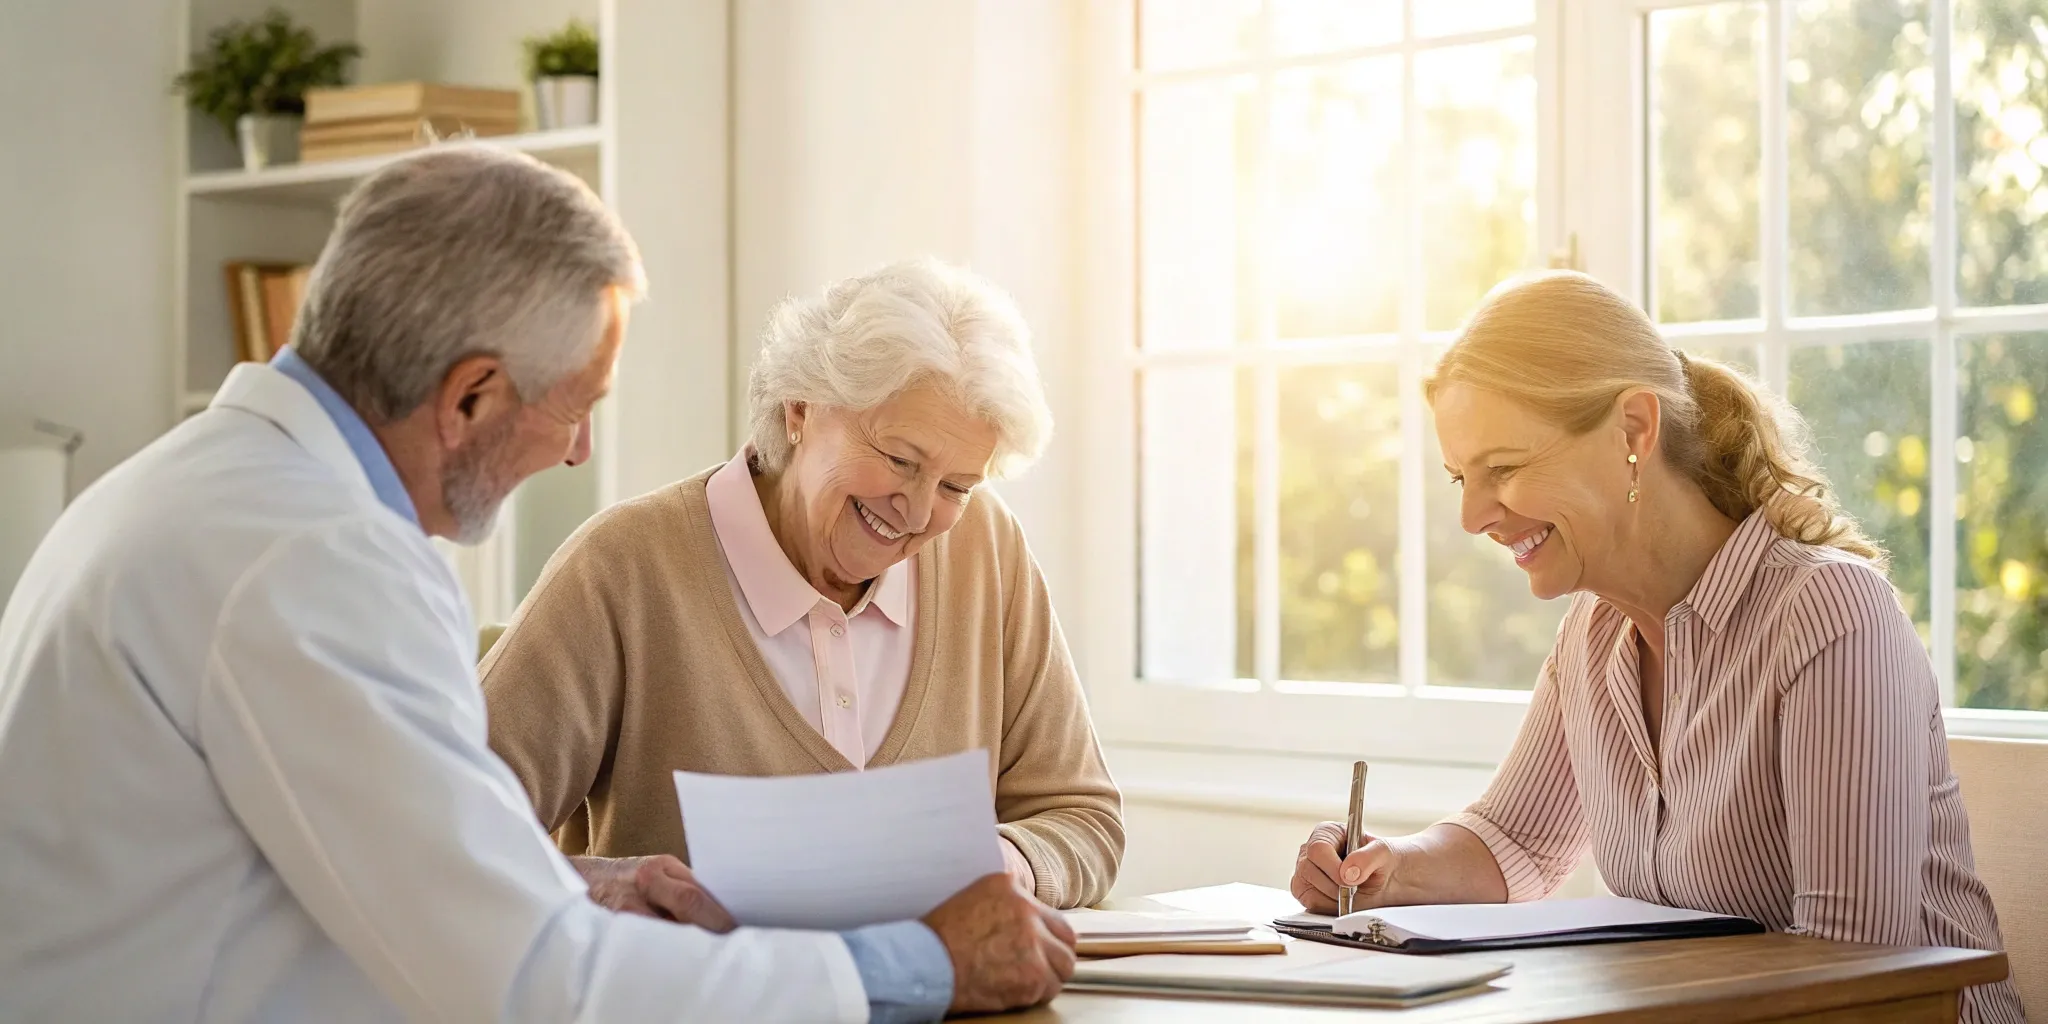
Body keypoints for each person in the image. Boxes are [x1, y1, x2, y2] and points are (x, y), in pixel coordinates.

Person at [0, 145, 1074, 1023]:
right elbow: (533, 984)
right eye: (576, 403)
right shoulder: (318, 558)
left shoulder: (196, 492)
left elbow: (376, 860)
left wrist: (572, 876)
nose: (575, 451)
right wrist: (920, 964)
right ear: (470, 394)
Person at [1289, 272, 2025, 1023]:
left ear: (1635, 430)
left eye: (1503, 470)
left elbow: (1853, 967)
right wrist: (1387, 871)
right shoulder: (1594, 632)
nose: (1475, 516)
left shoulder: (1827, 614)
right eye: (1461, 478)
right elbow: (1517, 840)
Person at [479, 259, 1124, 912]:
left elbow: (1081, 816)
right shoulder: (621, 570)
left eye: (957, 485)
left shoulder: (986, 548)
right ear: (800, 408)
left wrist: (1001, 864)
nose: (920, 510)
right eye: (901, 460)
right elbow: (441, 827)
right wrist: (608, 893)